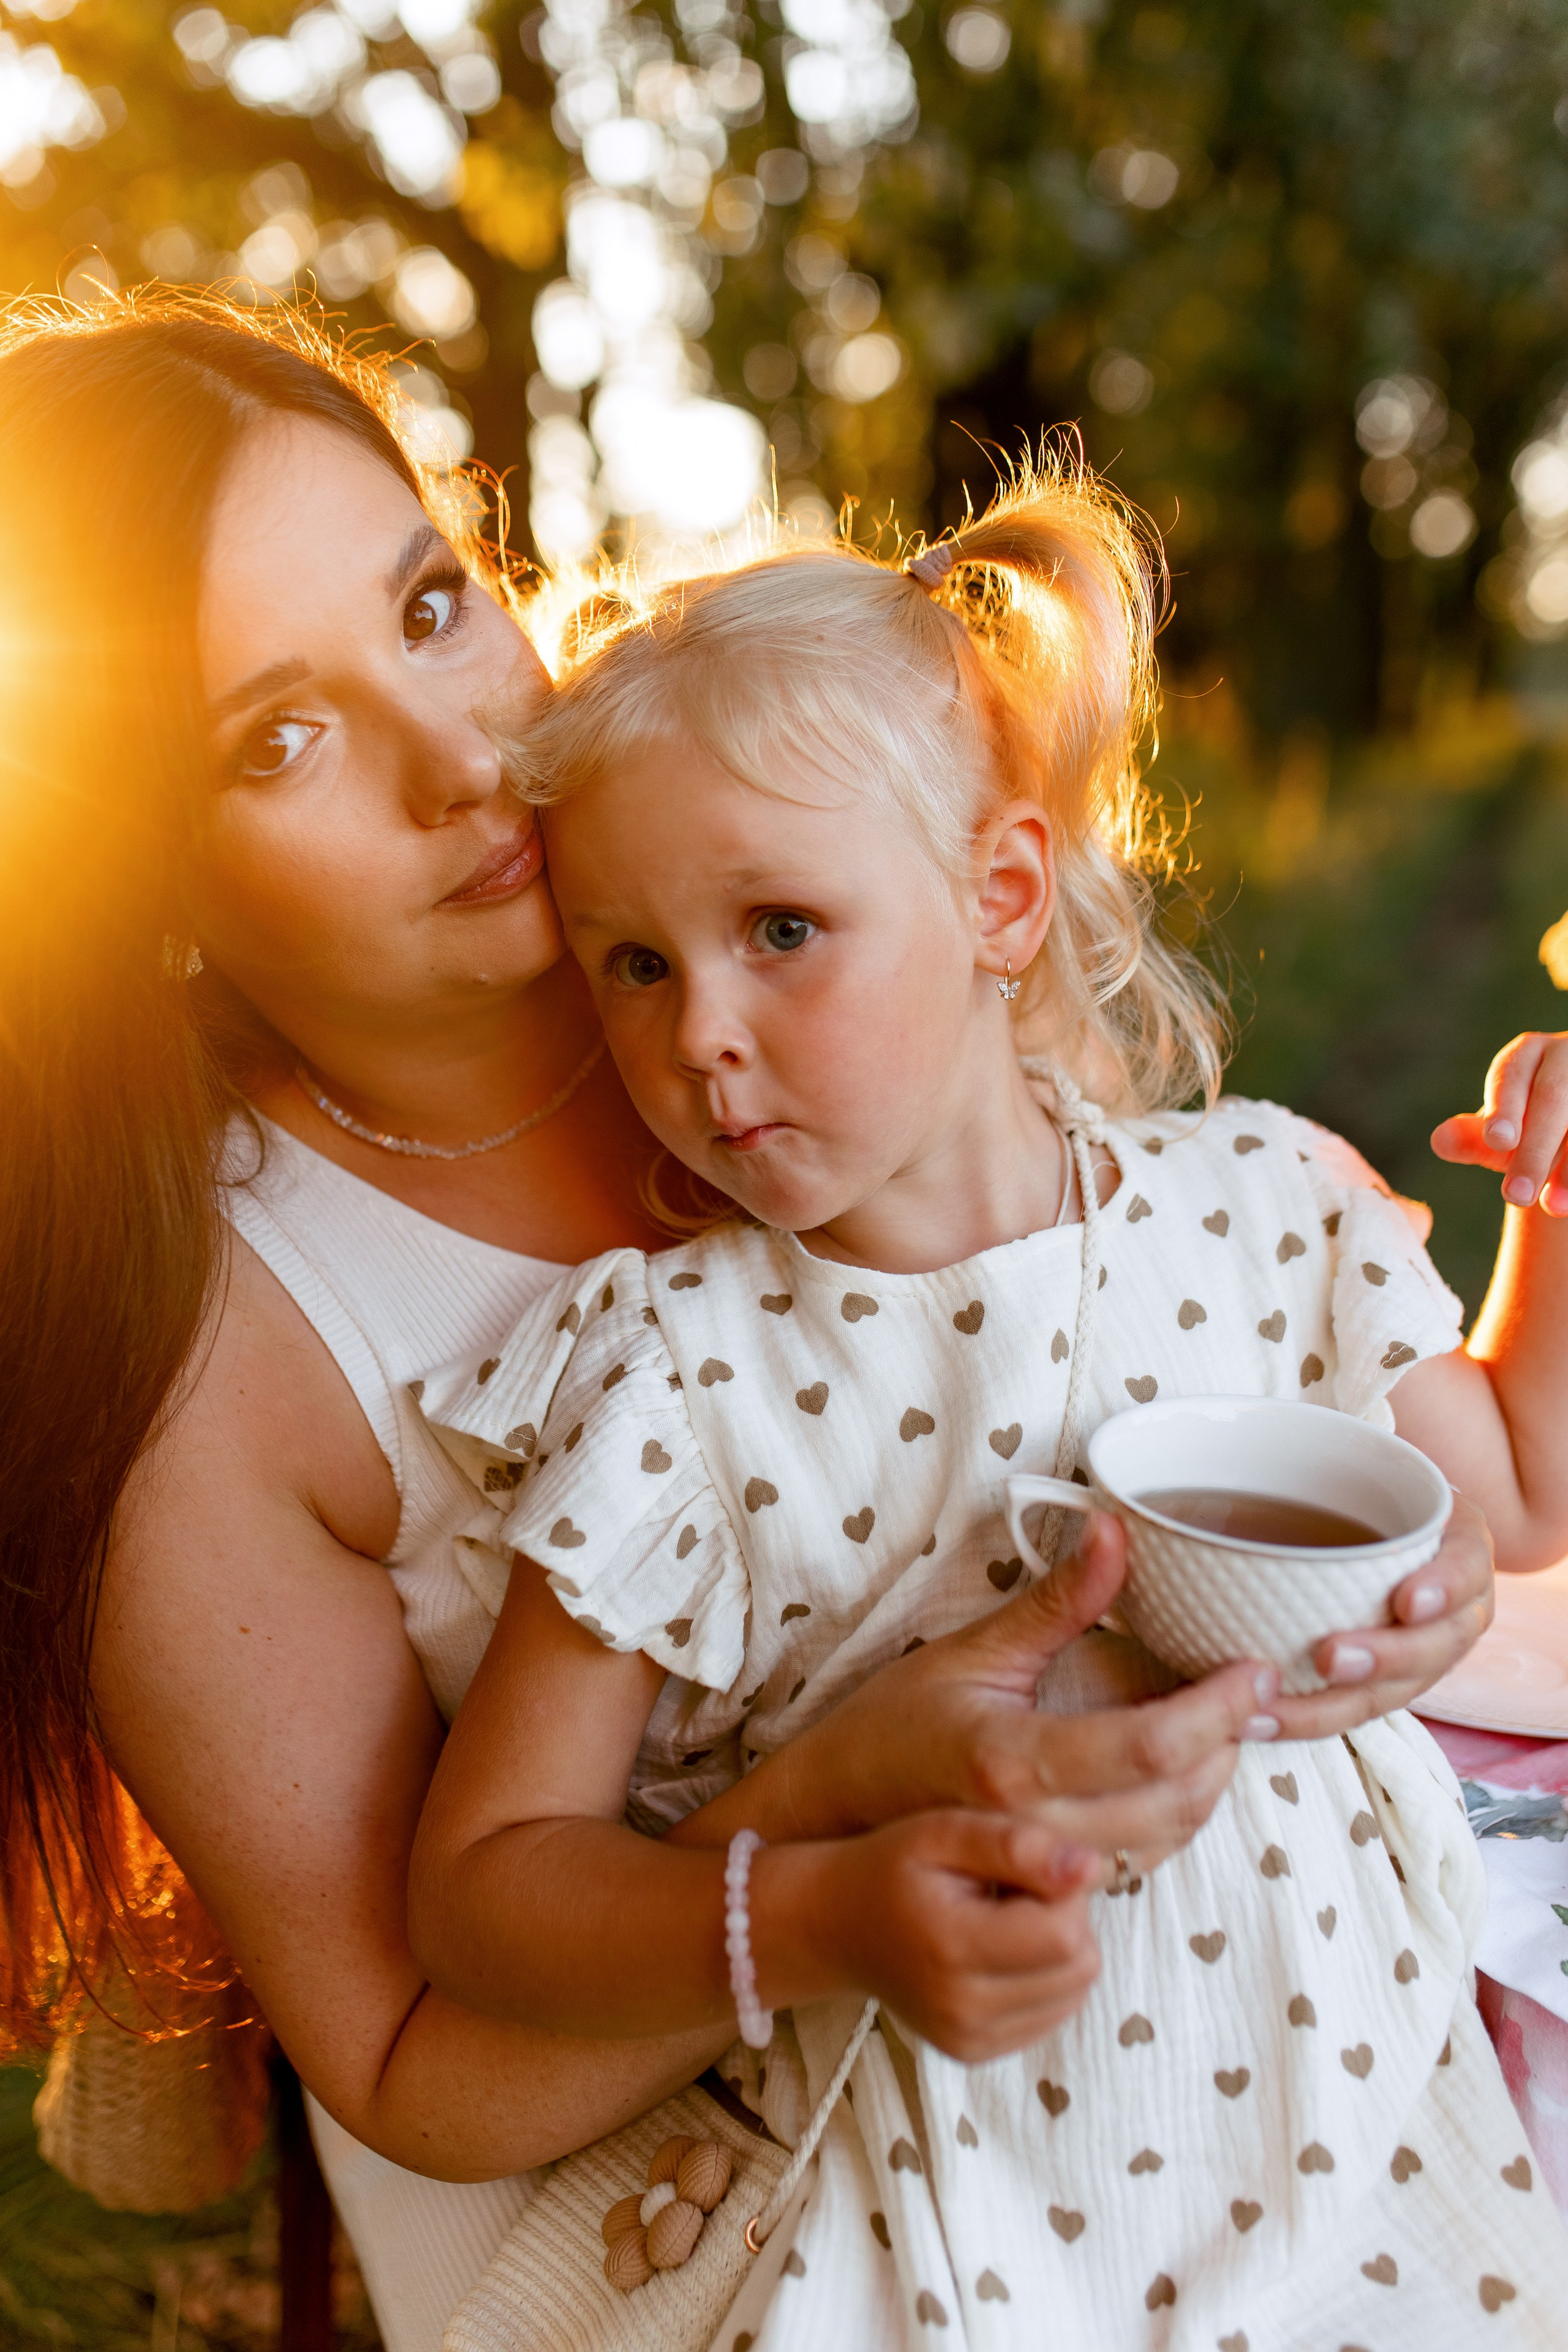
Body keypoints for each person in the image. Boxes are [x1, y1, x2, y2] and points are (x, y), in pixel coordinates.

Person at [0, 293, 1494, 2352]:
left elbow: (1111, 1292)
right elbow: (426, 2062)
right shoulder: (214, 1355)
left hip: (1166, 1984)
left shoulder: (735, 872)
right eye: (281, 733)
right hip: (672, 2176)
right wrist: (823, 1824)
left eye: (433, 604)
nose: (463, 757)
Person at [408, 466, 1568, 2348]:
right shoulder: (680, 1375)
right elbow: (482, 1897)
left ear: (1001, 895)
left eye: (780, 928)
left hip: (1361, 2105)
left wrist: (1557, 1208)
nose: (699, 1031)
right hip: (957, 2188)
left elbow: (1515, 1500)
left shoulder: (1260, 1208)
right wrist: (818, 1916)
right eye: (635, 963)